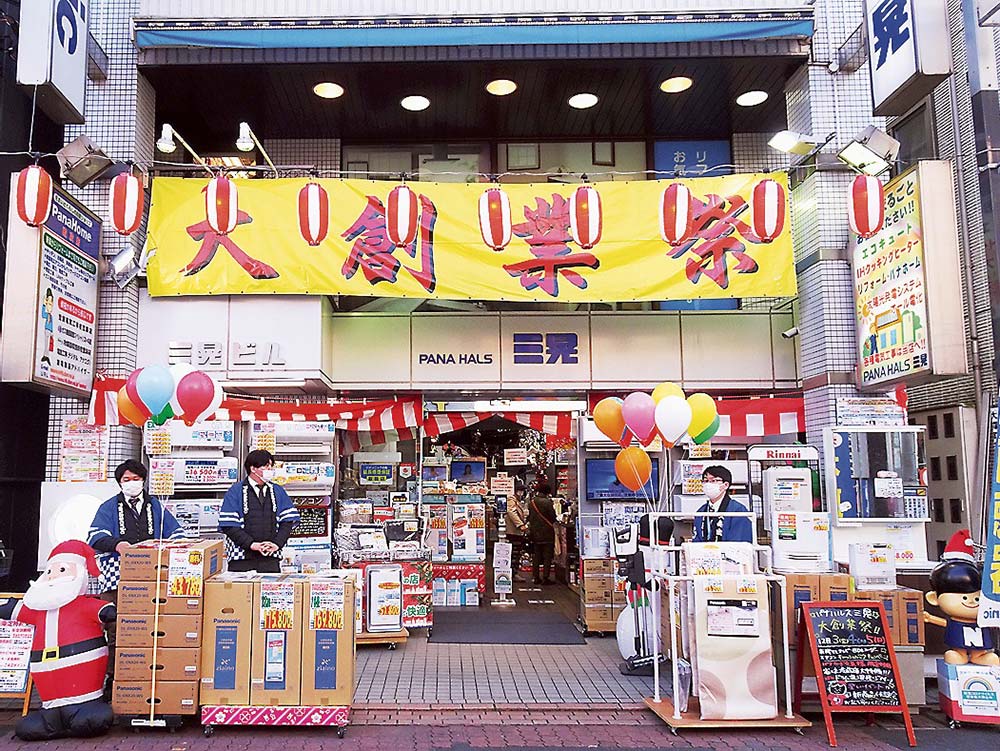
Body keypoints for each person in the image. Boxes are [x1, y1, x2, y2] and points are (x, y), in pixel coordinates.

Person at [0, 541, 116, 740]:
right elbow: (14, 610)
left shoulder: (83, 605)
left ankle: (83, 709)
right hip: (49, 701)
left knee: (92, 719)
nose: (53, 576)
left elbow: (104, 611)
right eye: (50, 571)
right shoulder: (38, 609)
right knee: (27, 729)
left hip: (84, 695)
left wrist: (108, 611)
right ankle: (52, 716)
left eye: (61, 570)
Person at [88, 459, 184, 692]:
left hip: (152, 575)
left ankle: (151, 676)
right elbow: (94, 537)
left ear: (144, 480)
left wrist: (173, 546)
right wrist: (117, 544)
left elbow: (177, 533)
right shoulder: (109, 507)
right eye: (126, 480)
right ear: (120, 483)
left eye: (136, 479)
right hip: (117, 577)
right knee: (117, 626)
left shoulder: (155, 506)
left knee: (151, 624)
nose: (132, 483)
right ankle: (113, 678)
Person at [925, 530, 999, 666]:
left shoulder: (985, 617)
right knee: (956, 655)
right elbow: (946, 624)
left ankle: (980, 656)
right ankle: (960, 654)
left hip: (979, 635)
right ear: (934, 598)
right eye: (964, 597)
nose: (971, 601)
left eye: (977, 598)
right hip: (960, 641)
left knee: (983, 653)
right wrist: (930, 618)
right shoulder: (955, 621)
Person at [219, 450, 299, 572]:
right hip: (241, 559)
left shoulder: (278, 491)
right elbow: (229, 526)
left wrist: (277, 543)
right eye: (266, 466)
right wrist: (252, 544)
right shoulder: (235, 491)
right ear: (253, 468)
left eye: (271, 466)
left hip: (271, 557)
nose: (270, 469)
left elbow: (287, 522)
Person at [692, 465, 753, 544]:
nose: (708, 484)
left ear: (726, 485)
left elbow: (739, 542)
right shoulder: (701, 512)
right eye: (705, 481)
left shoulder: (737, 510)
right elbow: (696, 541)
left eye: (713, 481)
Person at [528, 482, 558, 585]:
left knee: (536, 555)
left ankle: (536, 577)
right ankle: (546, 577)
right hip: (547, 533)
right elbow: (553, 517)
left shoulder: (532, 502)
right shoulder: (548, 502)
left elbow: (530, 517)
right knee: (547, 556)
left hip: (535, 533)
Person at [505, 491, 529, 581]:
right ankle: (513, 573)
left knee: (515, 551)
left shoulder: (515, 499)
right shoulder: (511, 499)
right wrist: (520, 524)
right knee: (514, 552)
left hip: (514, 530)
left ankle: (513, 573)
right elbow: (511, 512)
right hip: (513, 530)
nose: (522, 493)